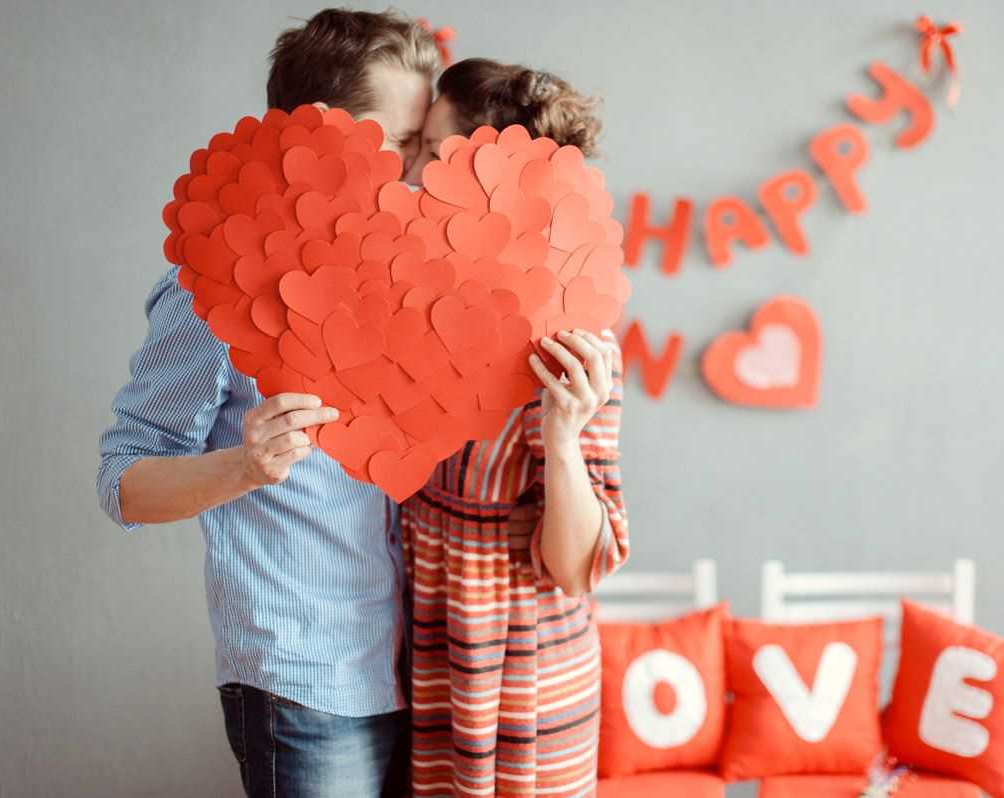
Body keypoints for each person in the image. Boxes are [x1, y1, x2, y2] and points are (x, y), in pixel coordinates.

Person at [96, 9, 438, 797]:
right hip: (300, 679)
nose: (417, 172)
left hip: (411, 673)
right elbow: (122, 484)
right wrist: (247, 466)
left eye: (422, 149)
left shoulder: (397, 278)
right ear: (314, 136)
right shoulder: (214, 284)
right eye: (397, 144)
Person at [402, 59, 629, 798]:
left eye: (431, 153)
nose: (412, 172)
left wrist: (562, 439)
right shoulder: (412, 299)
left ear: (484, 175)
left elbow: (574, 567)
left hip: (526, 674)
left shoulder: (572, 333)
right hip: (418, 652)